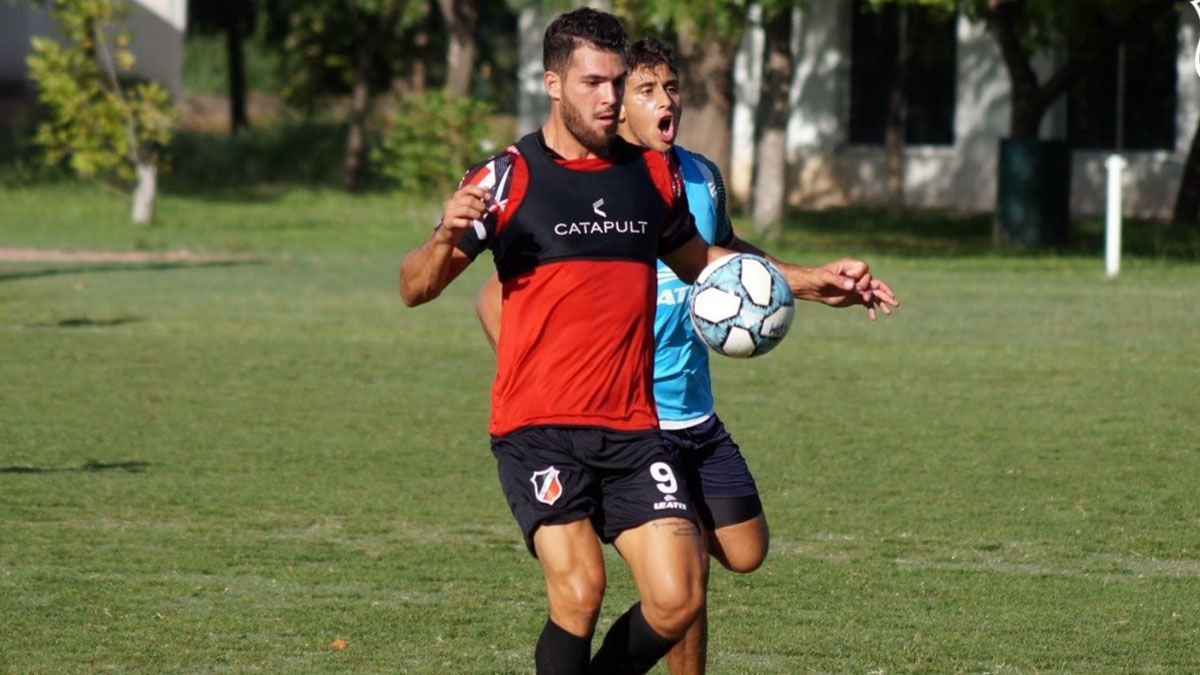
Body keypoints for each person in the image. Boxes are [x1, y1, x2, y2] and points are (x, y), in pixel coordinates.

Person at [474, 36, 900, 674]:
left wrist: (809, 282)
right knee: (670, 574)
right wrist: (537, 371)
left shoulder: (696, 178)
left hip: (692, 410)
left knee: (744, 550)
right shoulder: (586, 183)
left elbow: (725, 258)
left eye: (669, 87)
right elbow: (494, 292)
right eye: (644, 89)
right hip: (624, 419)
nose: (662, 100)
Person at [399, 9, 765, 674]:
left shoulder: (652, 176)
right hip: (538, 428)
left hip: (632, 428)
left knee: (678, 596)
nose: (609, 96)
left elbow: (704, 264)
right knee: (580, 590)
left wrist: (801, 282)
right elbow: (414, 288)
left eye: (616, 81)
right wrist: (443, 238)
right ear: (553, 83)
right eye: (593, 81)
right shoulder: (505, 178)